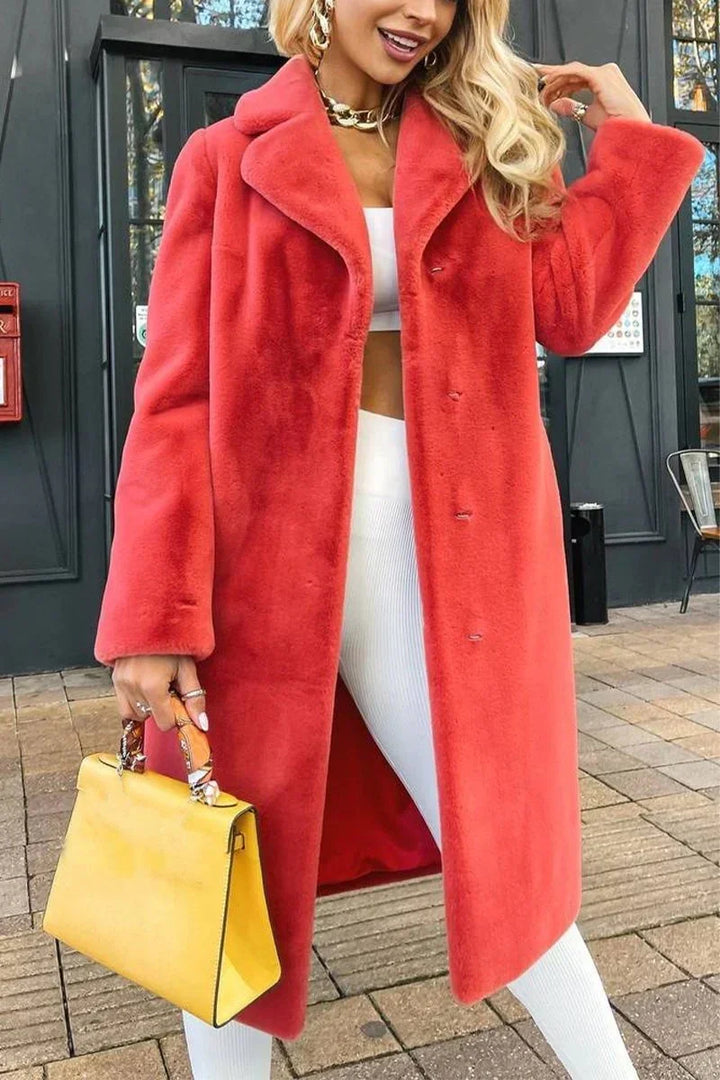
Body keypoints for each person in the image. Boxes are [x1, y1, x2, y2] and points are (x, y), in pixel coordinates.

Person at [96, 0, 705, 1077]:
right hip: (260, 566)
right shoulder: (222, 158)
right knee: (226, 876)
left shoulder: (476, 143)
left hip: (453, 545)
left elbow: (568, 308)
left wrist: (629, 142)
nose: (424, 11)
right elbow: (176, 399)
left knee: (508, 854)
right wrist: (153, 613)